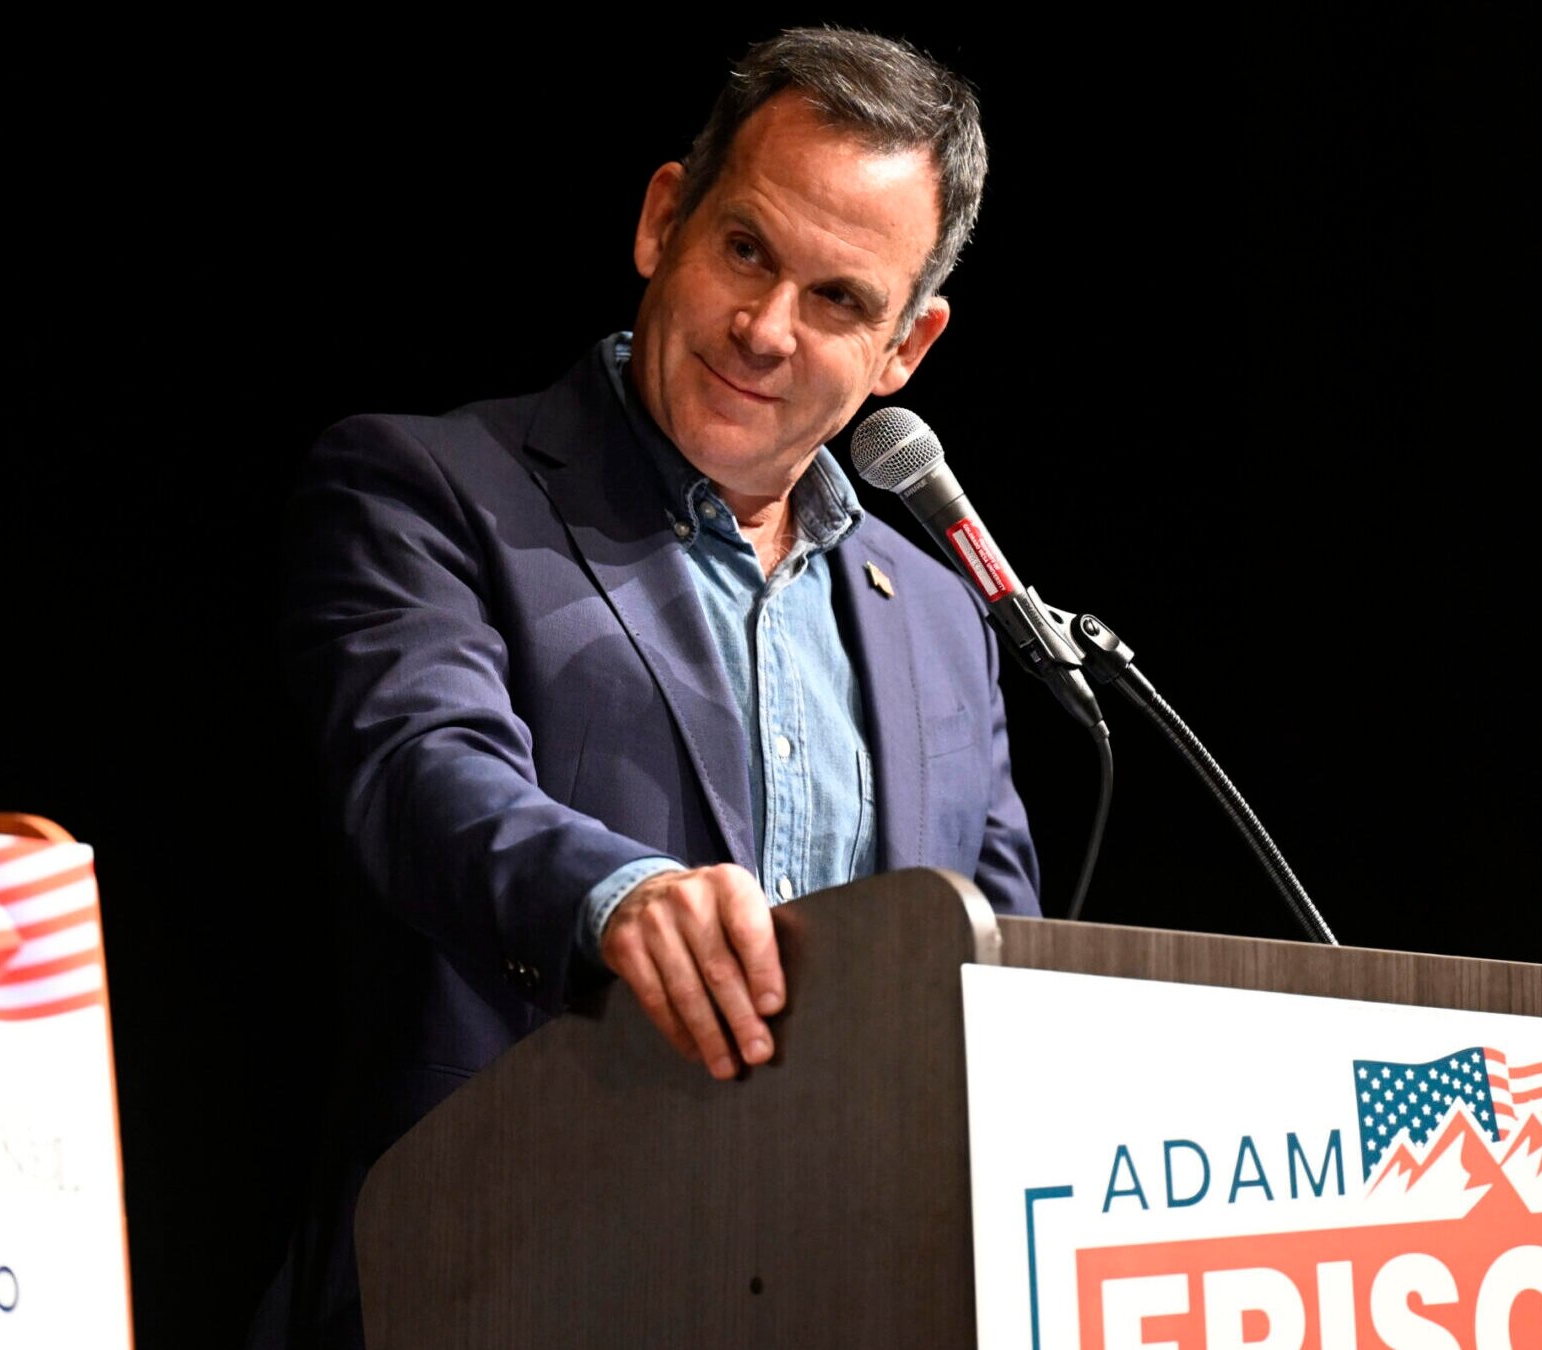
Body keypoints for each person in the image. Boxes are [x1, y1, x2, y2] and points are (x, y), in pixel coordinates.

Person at [251, 27, 1041, 1347]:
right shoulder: (432, 491)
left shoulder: (946, 621)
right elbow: (422, 770)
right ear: (664, 215)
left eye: (839, 300)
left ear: (907, 346)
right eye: (745, 249)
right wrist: (619, 896)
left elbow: (1003, 977)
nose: (765, 328)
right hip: (499, 1282)